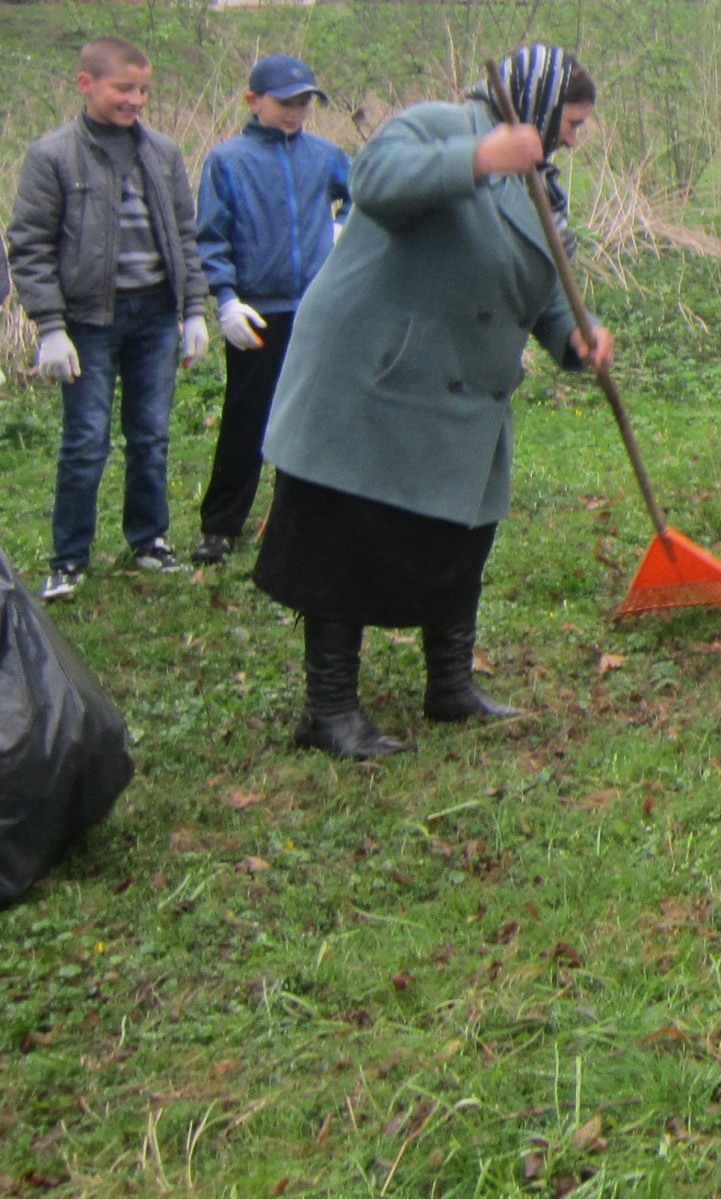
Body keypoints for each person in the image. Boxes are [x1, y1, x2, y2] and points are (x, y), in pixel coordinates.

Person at [252, 45, 612, 761]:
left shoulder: (541, 185)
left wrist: (577, 337)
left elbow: (539, 286)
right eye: (570, 121)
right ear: (537, 103)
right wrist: (481, 156)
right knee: (345, 542)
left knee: (462, 532)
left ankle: (451, 687)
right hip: (376, 377)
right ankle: (328, 710)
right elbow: (374, 182)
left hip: (459, 393)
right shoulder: (438, 126)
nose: (573, 137)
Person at [7, 37, 210, 603]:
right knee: (86, 439)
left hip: (153, 315)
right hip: (88, 321)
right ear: (86, 84)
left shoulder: (163, 152)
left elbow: (184, 236)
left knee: (150, 434)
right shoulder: (52, 156)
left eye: (143, 89)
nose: (135, 100)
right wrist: (49, 326)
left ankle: (149, 539)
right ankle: (69, 557)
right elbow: (27, 245)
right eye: (124, 88)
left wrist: (193, 309)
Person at [190, 54, 352, 568]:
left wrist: (341, 228)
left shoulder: (325, 154)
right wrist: (225, 299)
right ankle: (220, 525)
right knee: (246, 415)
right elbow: (211, 236)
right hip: (256, 311)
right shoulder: (228, 160)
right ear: (253, 101)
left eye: (304, 102)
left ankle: (294, 519)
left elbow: (362, 196)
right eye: (285, 102)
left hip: (314, 307)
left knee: (308, 414)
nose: (296, 112)